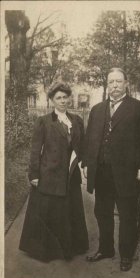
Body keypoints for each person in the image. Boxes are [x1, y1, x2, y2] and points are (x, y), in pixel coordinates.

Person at [82, 68, 140, 271]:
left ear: (126, 83)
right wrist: (88, 164)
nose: (114, 85)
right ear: (108, 84)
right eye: (111, 81)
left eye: (118, 81)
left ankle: (126, 255)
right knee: (102, 212)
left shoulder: (139, 108)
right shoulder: (97, 109)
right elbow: (90, 140)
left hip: (127, 174)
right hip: (102, 173)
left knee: (127, 215)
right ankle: (106, 249)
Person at [19, 81, 89, 262]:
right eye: (58, 98)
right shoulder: (43, 122)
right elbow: (35, 150)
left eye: (65, 97)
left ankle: (69, 249)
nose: (63, 101)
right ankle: (47, 251)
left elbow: (83, 146)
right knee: (49, 211)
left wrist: (85, 162)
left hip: (70, 175)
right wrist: (33, 174)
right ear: (51, 100)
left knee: (68, 211)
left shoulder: (77, 121)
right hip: (49, 174)